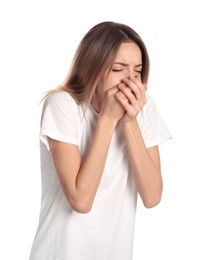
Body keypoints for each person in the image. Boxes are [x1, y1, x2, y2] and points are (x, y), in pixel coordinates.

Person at [29, 21, 171, 260]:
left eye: (137, 70)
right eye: (118, 69)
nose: (130, 80)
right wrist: (108, 118)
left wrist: (128, 121)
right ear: (92, 67)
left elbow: (152, 196)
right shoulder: (62, 106)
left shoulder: (144, 110)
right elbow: (81, 200)